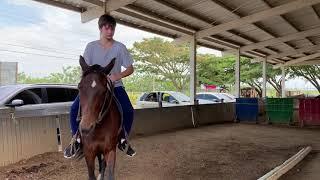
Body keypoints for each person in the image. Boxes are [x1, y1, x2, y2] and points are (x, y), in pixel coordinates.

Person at [64, 14, 136, 158]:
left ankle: (122, 139)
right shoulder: (91, 47)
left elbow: (130, 68)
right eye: (107, 28)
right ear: (100, 28)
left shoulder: (120, 47)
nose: (110, 31)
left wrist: (117, 76)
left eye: (112, 28)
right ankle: (76, 139)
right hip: (94, 88)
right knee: (73, 109)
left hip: (114, 86)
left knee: (128, 110)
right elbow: (85, 69)